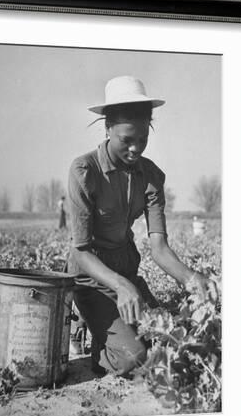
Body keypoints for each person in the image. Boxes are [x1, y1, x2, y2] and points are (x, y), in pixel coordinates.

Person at [67, 76, 217, 377]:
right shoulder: (85, 171)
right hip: (90, 276)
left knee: (165, 337)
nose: (136, 149)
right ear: (107, 128)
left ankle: (108, 325)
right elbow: (81, 251)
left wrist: (191, 279)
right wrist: (121, 286)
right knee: (134, 358)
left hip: (127, 273)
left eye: (143, 139)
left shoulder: (150, 176)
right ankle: (85, 323)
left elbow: (159, 247)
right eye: (127, 140)